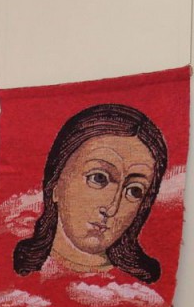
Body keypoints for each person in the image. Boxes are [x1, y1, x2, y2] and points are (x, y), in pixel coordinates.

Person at [12, 103, 166, 283]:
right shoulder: (22, 272)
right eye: (99, 178)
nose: (111, 208)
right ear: (56, 183)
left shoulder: (141, 287)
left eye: (134, 191)